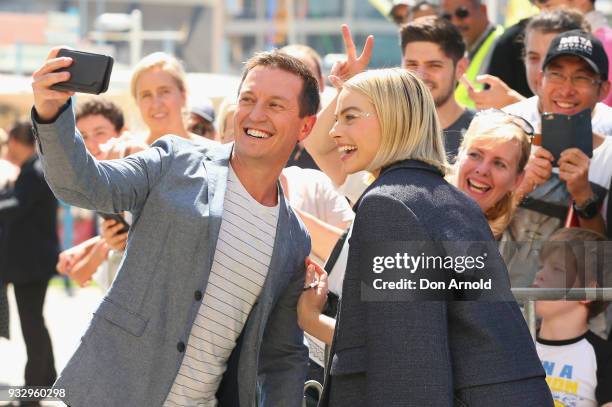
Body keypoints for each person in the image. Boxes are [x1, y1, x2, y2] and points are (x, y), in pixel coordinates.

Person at [31, 48, 319, 406]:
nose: (256, 114)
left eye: (276, 105)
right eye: (248, 99)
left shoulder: (293, 239)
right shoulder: (175, 160)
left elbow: (281, 357)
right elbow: (85, 184)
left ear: (306, 125)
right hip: (111, 395)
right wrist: (52, 111)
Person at [300, 68, 551, 406]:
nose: (334, 130)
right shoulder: (448, 200)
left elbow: (409, 366)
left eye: (350, 117)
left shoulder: (390, 204)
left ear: (394, 118)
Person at [501, 29, 612, 287]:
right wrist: (520, 188)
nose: (566, 89)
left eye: (581, 78)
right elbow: (472, 232)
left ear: (603, 89)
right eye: (557, 75)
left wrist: (584, 196)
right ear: (540, 81)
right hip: (504, 308)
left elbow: (602, 269)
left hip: (569, 319)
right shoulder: (507, 143)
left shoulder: (608, 157)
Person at [0, 119, 59, 400]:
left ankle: (33, 392)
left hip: (31, 266)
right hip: (31, 264)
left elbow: (16, 205)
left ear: (14, 141)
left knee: (31, 325)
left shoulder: (35, 171)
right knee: (35, 322)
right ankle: (46, 379)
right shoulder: (32, 168)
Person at [533, 228, 612, 407]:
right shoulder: (513, 344)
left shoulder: (605, 357)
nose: (539, 275)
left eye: (557, 269)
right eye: (541, 266)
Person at [401, 16, 476, 159]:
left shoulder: (483, 131)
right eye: (412, 64)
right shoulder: (387, 130)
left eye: (434, 65)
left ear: (460, 68)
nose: (420, 75)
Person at [453, 110, 532, 237]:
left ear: (517, 180)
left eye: (499, 164)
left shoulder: (513, 246)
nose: (483, 170)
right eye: (475, 155)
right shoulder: (416, 213)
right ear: (459, 153)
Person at [129, 51, 215, 146]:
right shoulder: (124, 156)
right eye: (146, 95)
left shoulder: (211, 154)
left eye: (164, 92)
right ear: (136, 101)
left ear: (183, 93)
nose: (156, 104)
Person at [440, 0, 503, 108]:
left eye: (462, 13)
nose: (455, 22)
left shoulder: (503, 44)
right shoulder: (464, 50)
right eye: (447, 17)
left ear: (483, 10)